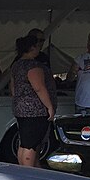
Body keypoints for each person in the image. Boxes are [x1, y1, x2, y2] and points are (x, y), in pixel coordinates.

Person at [10, 35, 56, 168]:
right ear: (32, 48)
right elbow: (39, 87)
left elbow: (12, 87)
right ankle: (28, 172)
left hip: (20, 108)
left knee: (24, 142)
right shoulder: (33, 66)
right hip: (35, 110)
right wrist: (49, 107)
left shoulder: (16, 65)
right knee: (31, 144)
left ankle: (27, 168)